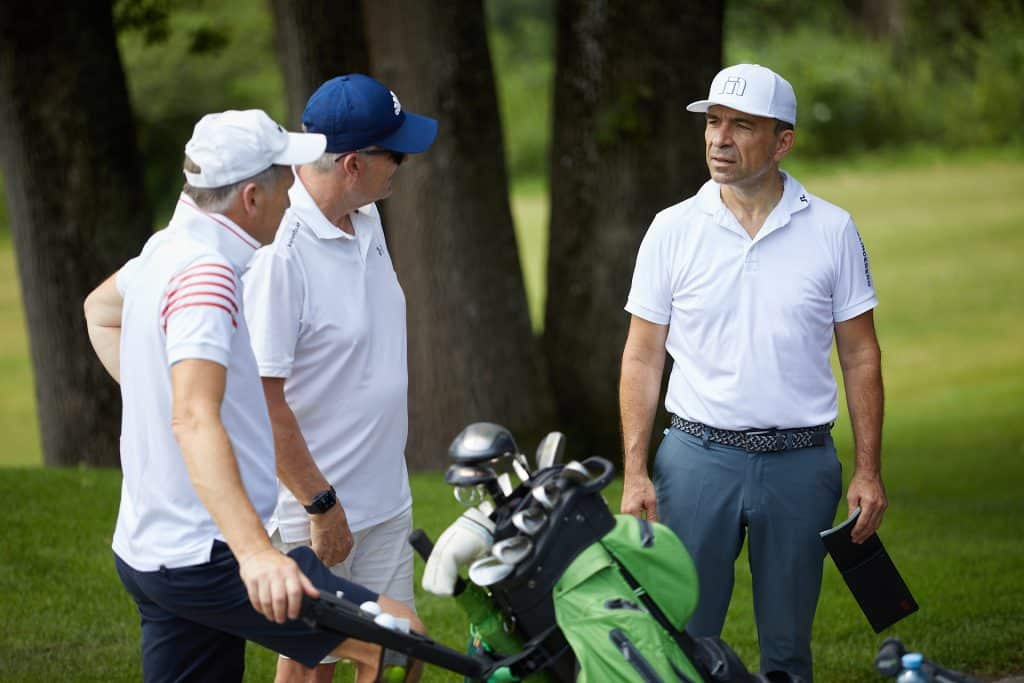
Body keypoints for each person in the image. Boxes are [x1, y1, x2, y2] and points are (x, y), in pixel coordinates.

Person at [83, 109, 423, 683]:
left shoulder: (163, 251)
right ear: (250, 197)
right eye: (284, 179)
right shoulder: (207, 276)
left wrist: (158, 394)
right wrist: (257, 554)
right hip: (206, 559)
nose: (294, 189)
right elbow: (194, 420)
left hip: (148, 551)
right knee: (400, 641)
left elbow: (99, 311)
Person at [619, 64, 887, 681]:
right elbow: (642, 354)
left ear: (782, 140)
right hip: (694, 460)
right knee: (681, 641)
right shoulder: (671, 229)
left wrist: (869, 469)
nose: (719, 138)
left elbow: (861, 354)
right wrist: (636, 471)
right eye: (713, 122)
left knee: (789, 650)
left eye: (741, 125)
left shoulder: (832, 230)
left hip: (801, 465)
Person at [241, 74, 437, 683]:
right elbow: (262, 402)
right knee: (314, 664)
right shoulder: (281, 253)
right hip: (319, 506)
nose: (401, 165)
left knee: (391, 653)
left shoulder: (369, 217)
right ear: (353, 163)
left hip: (385, 495)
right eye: (394, 154)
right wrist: (320, 506)